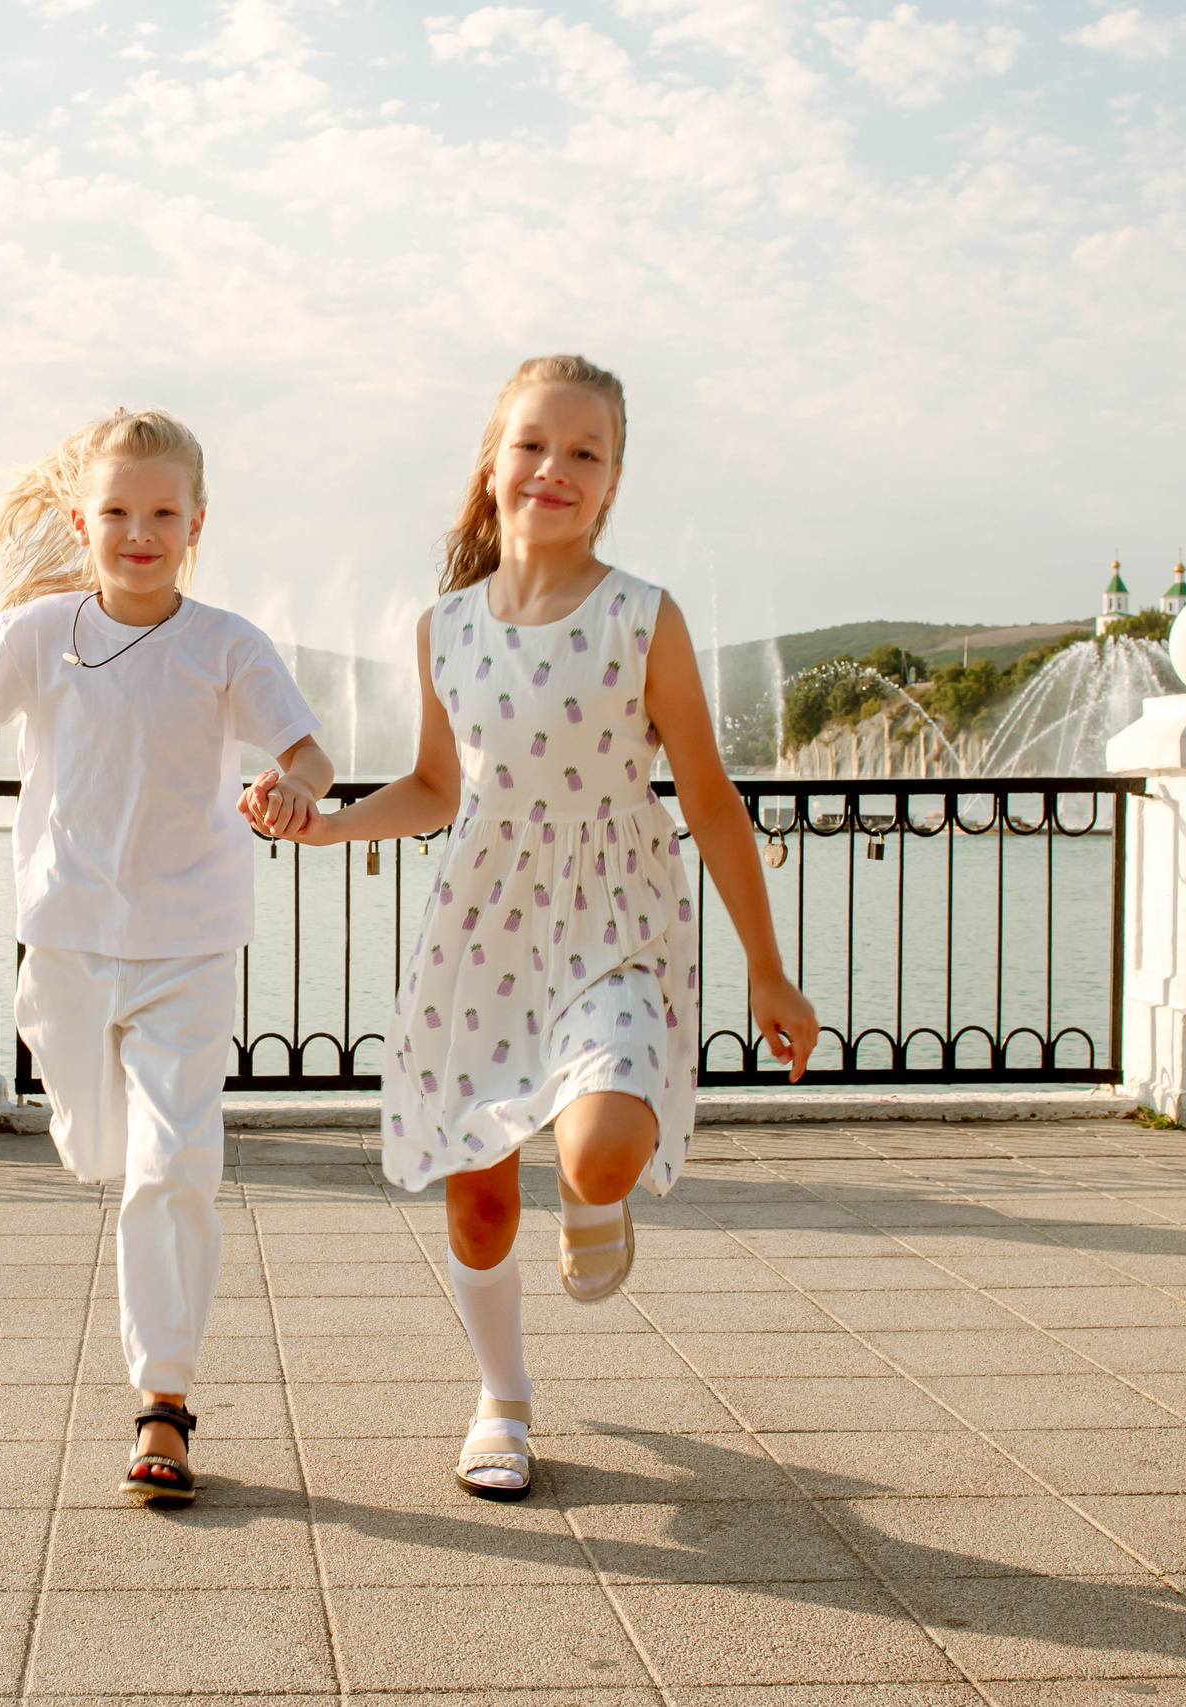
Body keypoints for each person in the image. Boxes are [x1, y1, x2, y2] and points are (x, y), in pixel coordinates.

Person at [250, 355, 815, 1499]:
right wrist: (324, 828)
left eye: (584, 453)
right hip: (483, 925)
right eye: (533, 445)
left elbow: (706, 796)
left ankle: (598, 1203)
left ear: (610, 485)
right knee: (481, 1188)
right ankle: (500, 1402)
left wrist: (769, 969)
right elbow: (433, 790)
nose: (554, 469)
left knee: (600, 1143)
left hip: (614, 913)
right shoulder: (443, 628)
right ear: (493, 463)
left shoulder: (639, 618)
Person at [0, 407, 332, 1508]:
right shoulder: (41, 635)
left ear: (196, 524)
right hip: (70, 940)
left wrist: (294, 788)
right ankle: (115, 1163)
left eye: (164, 513)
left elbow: (308, 749)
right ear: (83, 520)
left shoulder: (229, 644)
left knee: (171, 1165)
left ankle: (163, 1403)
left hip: (188, 944)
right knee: (94, 1144)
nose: (141, 531)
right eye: (120, 512)